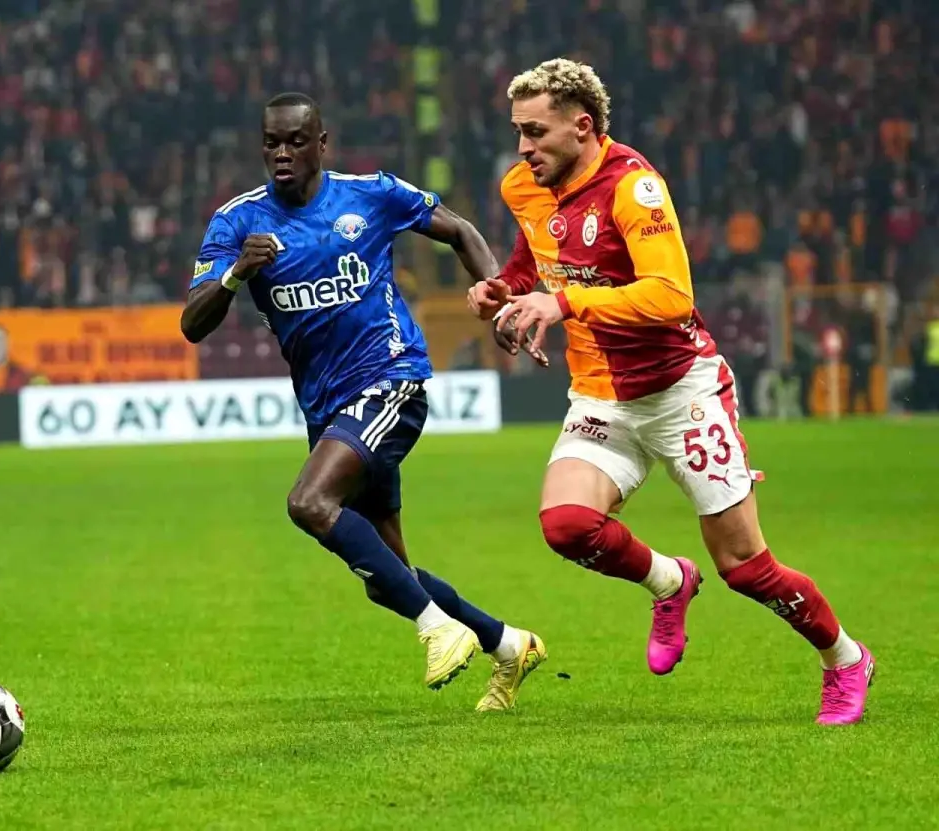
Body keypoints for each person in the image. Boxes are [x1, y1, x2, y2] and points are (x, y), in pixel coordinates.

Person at [470, 60, 874, 725]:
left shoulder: (634, 188)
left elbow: (669, 296)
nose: (522, 148)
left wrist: (562, 303)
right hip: (601, 394)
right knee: (566, 525)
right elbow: (536, 253)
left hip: (680, 392)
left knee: (745, 566)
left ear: (582, 127)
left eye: (535, 132)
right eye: (518, 131)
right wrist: (506, 288)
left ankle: (846, 658)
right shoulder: (525, 185)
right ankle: (670, 580)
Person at [181, 93, 545, 711]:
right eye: (271, 142)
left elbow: (459, 230)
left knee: (308, 502)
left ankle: (438, 629)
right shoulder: (237, 222)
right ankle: (509, 644)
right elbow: (193, 324)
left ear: (322, 144)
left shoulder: (372, 194)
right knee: (390, 579)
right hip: (328, 408)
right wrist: (236, 274)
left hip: (391, 379)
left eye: (296, 141)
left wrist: (500, 300)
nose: (282, 153)